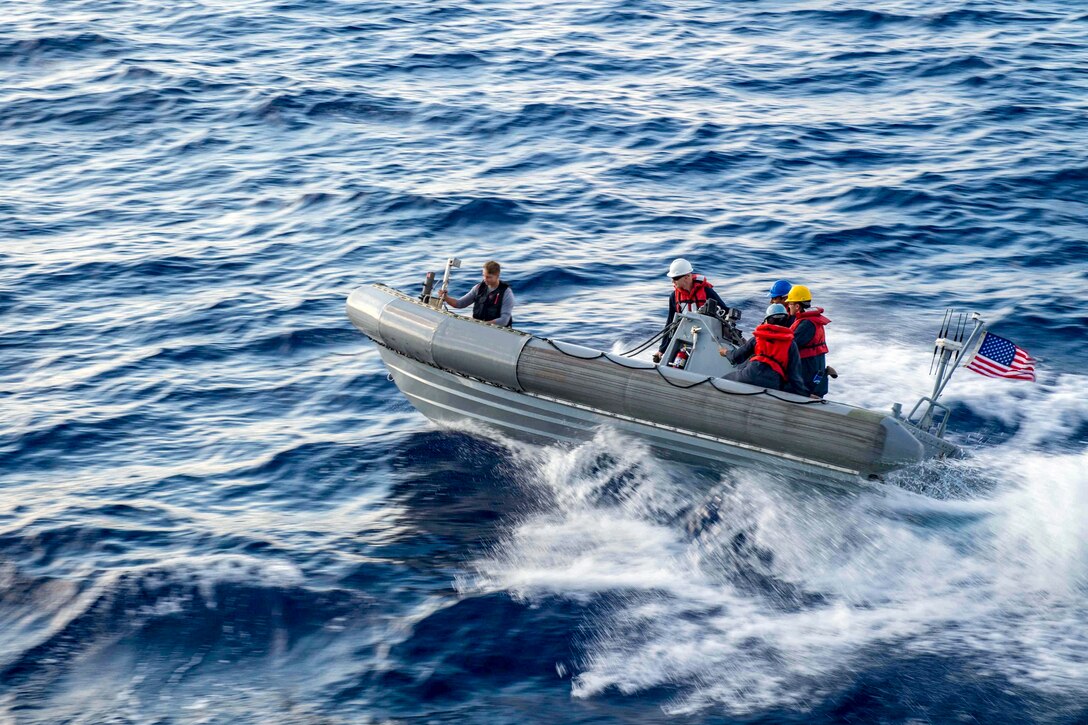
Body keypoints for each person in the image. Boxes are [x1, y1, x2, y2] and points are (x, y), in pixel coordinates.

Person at [720, 304, 806, 395]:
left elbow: (736, 357)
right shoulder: (791, 344)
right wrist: (807, 394)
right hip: (773, 384)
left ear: (767, 321)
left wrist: (726, 352)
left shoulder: (758, 337)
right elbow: (795, 378)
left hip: (749, 376)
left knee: (722, 381)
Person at [652, 258, 728, 363]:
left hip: (707, 337)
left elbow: (725, 312)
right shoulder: (674, 297)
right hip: (684, 337)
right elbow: (670, 324)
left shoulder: (707, 292)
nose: (673, 281)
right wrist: (661, 350)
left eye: (675, 278)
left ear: (687, 277)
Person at [784, 285, 831, 397]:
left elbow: (789, 346)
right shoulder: (811, 320)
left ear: (797, 306)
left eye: (789, 304)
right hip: (815, 368)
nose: (788, 307)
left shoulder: (806, 324)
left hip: (808, 374)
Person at [441, 260, 515, 327]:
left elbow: (504, 321)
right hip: (479, 328)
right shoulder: (478, 288)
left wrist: (483, 325)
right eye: (484, 275)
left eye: (489, 277)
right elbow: (460, 303)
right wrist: (446, 298)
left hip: (498, 332)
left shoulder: (506, 293)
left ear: (497, 276)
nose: (485, 279)